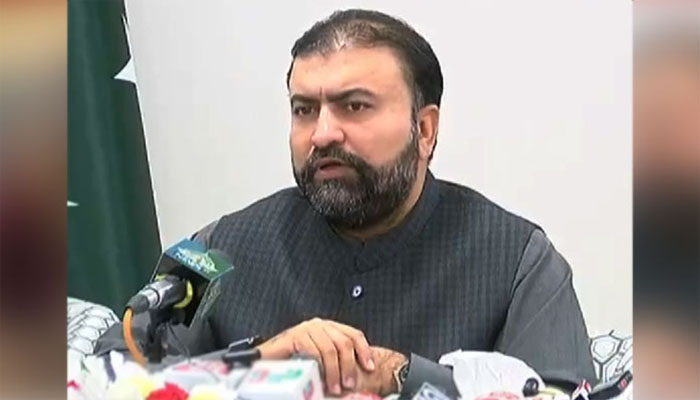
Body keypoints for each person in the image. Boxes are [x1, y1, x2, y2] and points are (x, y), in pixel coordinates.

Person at [95, 9, 596, 398]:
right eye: (304, 109)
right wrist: (261, 363)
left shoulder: (517, 261)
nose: (322, 133)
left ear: (424, 130)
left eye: (354, 106)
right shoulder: (219, 249)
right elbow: (113, 369)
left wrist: (402, 377)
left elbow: (562, 395)